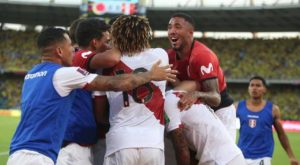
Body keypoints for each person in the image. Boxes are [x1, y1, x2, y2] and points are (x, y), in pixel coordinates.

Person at [7, 27, 177, 165]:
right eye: (69, 46)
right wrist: (150, 75)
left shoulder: (31, 74)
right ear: (59, 51)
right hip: (39, 157)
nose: (73, 49)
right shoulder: (63, 74)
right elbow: (115, 83)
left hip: (18, 153)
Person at [100, 15, 169, 165]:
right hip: (153, 143)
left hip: (121, 141)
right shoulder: (160, 55)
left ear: (115, 35)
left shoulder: (108, 62)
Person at [56, 18, 119, 165]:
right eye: (106, 41)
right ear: (95, 42)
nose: (109, 45)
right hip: (74, 140)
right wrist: (127, 41)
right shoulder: (80, 55)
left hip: (84, 138)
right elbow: (113, 58)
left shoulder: (87, 60)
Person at [167, 12, 236, 140]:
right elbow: (180, 88)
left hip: (220, 110)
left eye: (177, 27)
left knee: (223, 158)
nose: (172, 31)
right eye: (169, 27)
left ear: (190, 33)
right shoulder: (169, 56)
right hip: (197, 109)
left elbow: (216, 98)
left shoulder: (202, 56)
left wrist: (197, 94)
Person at [165, 81, 246, 165]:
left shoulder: (170, 101)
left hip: (219, 160)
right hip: (231, 156)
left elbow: (181, 148)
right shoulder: (179, 96)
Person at [236, 76, 299, 165]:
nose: (254, 88)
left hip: (262, 156)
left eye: (258, 85)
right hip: (241, 156)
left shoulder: (273, 109)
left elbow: (281, 134)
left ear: (264, 89)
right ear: (248, 88)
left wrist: (291, 156)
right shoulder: (238, 107)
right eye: (252, 85)